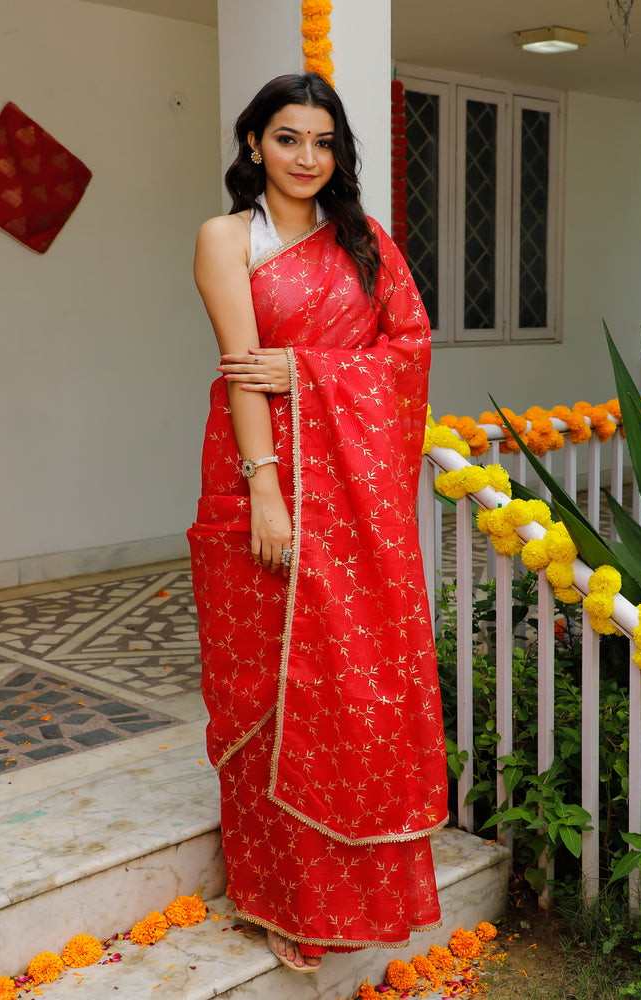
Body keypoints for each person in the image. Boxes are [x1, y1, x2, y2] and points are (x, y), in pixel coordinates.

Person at [188, 72, 447, 974]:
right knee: (261, 691)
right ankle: (280, 899)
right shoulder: (226, 239)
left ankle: (356, 895)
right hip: (258, 474)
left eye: (324, 142)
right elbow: (243, 367)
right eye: (289, 138)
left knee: (350, 690)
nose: (308, 157)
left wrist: (314, 374)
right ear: (254, 141)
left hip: (354, 499)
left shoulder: (364, 241)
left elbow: (407, 351)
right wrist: (265, 489)